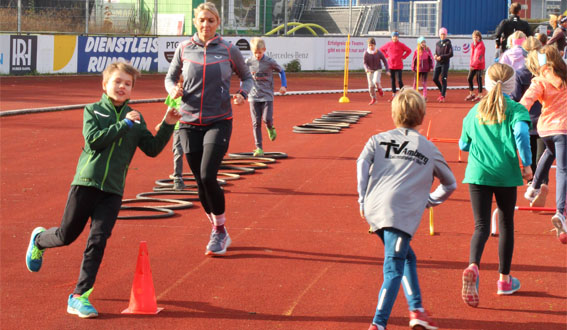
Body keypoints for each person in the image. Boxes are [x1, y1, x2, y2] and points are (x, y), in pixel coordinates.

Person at [25, 61, 181, 318]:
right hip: (85, 184)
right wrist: (123, 126)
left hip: (113, 190)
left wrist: (168, 124)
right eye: (117, 82)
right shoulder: (93, 111)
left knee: (97, 241)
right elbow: (95, 142)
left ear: (132, 90)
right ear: (105, 84)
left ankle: (79, 295)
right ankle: (39, 240)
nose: (122, 87)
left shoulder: (136, 117)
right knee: (67, 235)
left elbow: (152, 149)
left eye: (127, 84)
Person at [358, 88, 457, 330]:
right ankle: (378, 324)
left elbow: (361, 162)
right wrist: (430, 200)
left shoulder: (377, 139)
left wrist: (362, 198)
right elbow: (450, 183)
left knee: (407, 258)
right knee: (393, 268)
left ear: (394, 114)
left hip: (373, 209)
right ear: (422, 116)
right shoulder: (429, 149)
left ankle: (417, 309)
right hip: (399, 214)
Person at [164, 2, 253, 255]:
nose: (206, 25)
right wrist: (172, 89)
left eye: (211, 21)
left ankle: (220, 231)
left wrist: (242, 94)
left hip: (219, 120)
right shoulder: (184, 48)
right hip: (188, 121)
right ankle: (215, 227)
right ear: (195, 22)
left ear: (218, 23)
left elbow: (246, 77)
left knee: (207, 176)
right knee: (199, 182)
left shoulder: (228, 49)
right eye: (202, 20)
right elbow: (170, 77)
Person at [459, 63, 533, 308]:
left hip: (478, 173)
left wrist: (478, 147)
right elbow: (522, 134)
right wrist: (528, 164)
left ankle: (473, 264)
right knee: (506, 223)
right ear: (512, 85)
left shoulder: (474, 111)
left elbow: (463, 144)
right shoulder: (516, 109)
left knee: (480, 226)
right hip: (505, 172)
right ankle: (504, 280)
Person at [520, 45, 567, 244]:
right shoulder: (565, 79)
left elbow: (525, 102)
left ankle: (534, 187)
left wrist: (517, 118)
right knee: (563, 170)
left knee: (548, 152)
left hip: (545, 129)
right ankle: (560, 212)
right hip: (564, 129)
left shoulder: (539, 81)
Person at [510, 37, 549, 207]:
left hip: (525, 120)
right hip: (544, 120)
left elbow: (515, 98)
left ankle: (533, 187)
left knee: (530, 156)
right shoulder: (546, 73)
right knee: (543, 157)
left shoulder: (520, 74)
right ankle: (541, 186)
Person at [245, 37, 287, 157]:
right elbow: (243, 75)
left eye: (260, 52)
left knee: (266, 119)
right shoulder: (248, 62)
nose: (257, 55)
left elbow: (281, 71)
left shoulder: (270, 62)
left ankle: (270, 127)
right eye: (255, 52)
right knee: (255, 123)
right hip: (253, 96)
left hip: (267, 95)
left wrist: (284, 85)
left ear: (264, 50)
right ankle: (259, 148)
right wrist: (242, 91)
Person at [380, 31, 411, 102]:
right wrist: (386, 56)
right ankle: (393, 94)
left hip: (399, 66)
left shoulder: (401, 44)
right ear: (391, 37)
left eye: (396, 36)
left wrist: (404, 57)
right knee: (392, 80)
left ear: (398, 37)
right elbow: (381, 49)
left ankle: (403, 94)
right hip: (391, 66)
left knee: (399, 80)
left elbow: (409, 50)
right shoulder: (388, 44)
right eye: (393, 36)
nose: (395, 38)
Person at [364, 37, 388, 105]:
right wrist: (366, 68)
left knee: (376, 81)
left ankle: (380, 89)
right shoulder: (366, 53)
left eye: (372, 45)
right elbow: (364, 63)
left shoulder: (378, 52)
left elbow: (385, 61)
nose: (371, 46)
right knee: (371, 86)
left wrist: (387, 70)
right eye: (369, 45)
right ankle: (374, 99)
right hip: (370, 70)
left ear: (375, 45)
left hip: (378, 69)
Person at [432, 27, 453, 103]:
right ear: (439, 35)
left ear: (446, 35)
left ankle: (442, 96)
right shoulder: (437, 43)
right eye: (441, 34)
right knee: (434, 78)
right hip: (438, 63)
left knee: (443, 79)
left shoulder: (448, 43)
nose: (443, 36)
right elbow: (436, 52)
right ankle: (442, 90)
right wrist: (435, 56)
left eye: (444, 34)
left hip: (445, 63)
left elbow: (451, 54)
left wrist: (442, 57)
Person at [466, 30, 486, 102]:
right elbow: (472, 56)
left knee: (479, 80)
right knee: (469, 78)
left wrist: (473, 65)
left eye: (476, 37)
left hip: (479, 66)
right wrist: (471, 64)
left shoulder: (481, 46)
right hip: (473, 65)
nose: (475, 38)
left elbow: (479, 58)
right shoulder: (473, 45)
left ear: (479, 37)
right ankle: (472, 93)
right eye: (474, 37)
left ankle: (480, 95)